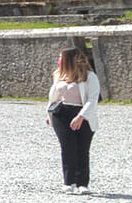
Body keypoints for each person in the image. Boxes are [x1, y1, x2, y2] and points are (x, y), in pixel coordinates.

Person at [47, 48, 101, 195]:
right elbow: (54, 97)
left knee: (82, 149)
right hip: (61, 114)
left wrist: (81, 116)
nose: (59, 60)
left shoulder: (90, 76)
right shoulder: (59, 75)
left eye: (61, 57)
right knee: (67, 147)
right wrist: (49, 113)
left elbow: (92, 99)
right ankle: (68, 182)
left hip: (82, 114)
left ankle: (82, 183)